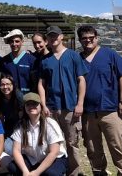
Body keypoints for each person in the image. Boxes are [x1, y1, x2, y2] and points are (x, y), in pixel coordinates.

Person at [77, 25, 122, 176]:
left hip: (110, 110)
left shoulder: (109, 54)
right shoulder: (78, 58)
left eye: (91, 37)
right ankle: (99, 172)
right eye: (84, 38)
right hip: (88, 113)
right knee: (92, 149)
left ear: (97, 38)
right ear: (80, 40)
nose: (88, 40)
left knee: (118, 146)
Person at [37, 26, 87, 176]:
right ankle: (55, 172)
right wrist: (43, 105)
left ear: (61, 37)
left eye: (55, 36)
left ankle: (73, 172)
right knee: (51, 143)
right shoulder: (45, 60)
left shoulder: (73, 56)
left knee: (72, 143)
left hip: (70, 107)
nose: (53, 39)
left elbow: (81, 80)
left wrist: (80, 104)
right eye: (50, 37)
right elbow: (41, 84)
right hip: (51, 108)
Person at [8, 92, 68, 176]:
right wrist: (25, 171)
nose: (31, 106)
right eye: (28, 104)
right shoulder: (20, 125)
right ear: (24, 107)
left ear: (41, 106)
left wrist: (36, 173)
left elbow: (54, 152)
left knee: (50, 173)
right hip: (33, 159)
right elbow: (16, 151)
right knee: (12, 167)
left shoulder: (50, 124)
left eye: (35, 104)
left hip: (54, 158)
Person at [0, 29, 37, 96]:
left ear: (22, 42)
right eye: (12, 41)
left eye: (17, 41)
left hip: (27, 98)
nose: (14, 44)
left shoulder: (32, 60)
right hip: (10, 98)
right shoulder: (3, 61)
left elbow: (35, 82)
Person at [0, 75, 24, 157]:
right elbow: (0, 117)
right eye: (2, 85)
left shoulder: (19, 97)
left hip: (21, 128)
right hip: (8, 128)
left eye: (8, 84)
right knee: (7, 148)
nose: (5, 87)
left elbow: (23, 119)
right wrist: (2, 136)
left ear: (13, 85)